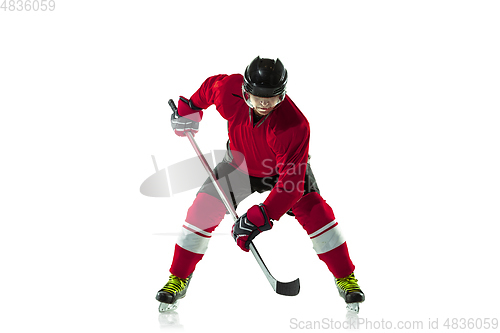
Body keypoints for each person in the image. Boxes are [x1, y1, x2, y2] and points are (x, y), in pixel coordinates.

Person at [156, 56, 365, 311]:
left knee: (318, 214)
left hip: (283, 173)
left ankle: (346, 278)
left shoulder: (295, 125)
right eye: (258, 98)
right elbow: (209, 88)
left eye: (273, 98)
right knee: (200, 213)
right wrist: (190, 108)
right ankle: (177, 278)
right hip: (237, 167)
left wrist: (262, 216)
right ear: (245, 92)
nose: (265, 104)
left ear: (283, 95)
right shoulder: (227, 92)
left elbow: (291, 182)